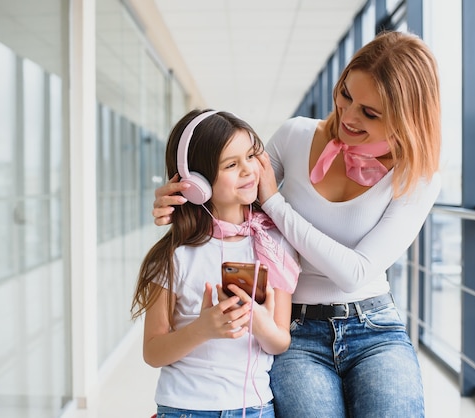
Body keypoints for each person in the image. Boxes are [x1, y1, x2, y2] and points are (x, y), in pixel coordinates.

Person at [151, 31, 441, 417]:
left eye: (370, 113)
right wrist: (179, 198)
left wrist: (276, 203)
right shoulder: (295, 136)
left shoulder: (416, 176)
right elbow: (232, 194)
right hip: (295, 326)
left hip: (373, 325)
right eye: (346, 95)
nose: (348, 117)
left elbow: (354, 273)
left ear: (406, 121)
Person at [131, 109, 300, 418]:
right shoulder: (174, 256)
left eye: (251, 156)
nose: (248, 170)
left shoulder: (273, 246)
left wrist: (260, 325)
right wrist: (203, 329)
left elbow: (280, 342)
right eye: (232, 164)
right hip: (186, 408)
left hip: (254, 409)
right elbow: (152, 352)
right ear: (197, 183)